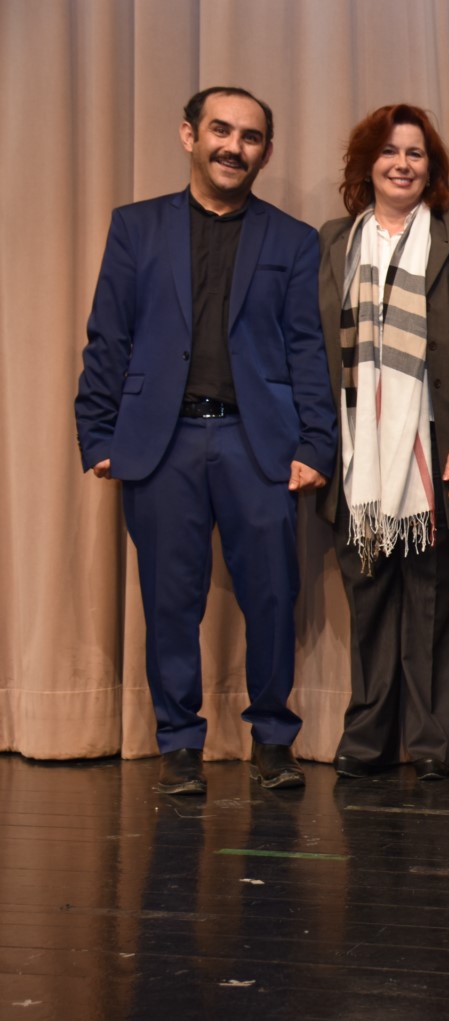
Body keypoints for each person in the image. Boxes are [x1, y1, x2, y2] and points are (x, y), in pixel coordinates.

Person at [75, 86, 336, 794]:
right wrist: (97, 432)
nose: (234, 147)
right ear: (189, 135)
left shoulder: (292, 239)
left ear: (266, 153)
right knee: (170, 600)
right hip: (162, 444)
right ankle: (179, 745)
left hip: (260, 444)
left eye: (250, 137)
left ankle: (273, 739)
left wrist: (315, 443)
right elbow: (108, 336)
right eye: (221, 130)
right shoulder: (135, 227)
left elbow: (307, 348)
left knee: (273, 596)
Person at [315, 104, 449, 781]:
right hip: (355, 453)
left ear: (431, 167)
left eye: (415, 153)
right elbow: (311, 345)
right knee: (365, 598)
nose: (402, 164)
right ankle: (365, 738)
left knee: (429, 603)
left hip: (433, 451)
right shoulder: (334, 239)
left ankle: (428, 744)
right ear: (368, 164)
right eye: (390, 151)